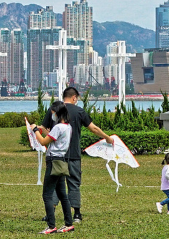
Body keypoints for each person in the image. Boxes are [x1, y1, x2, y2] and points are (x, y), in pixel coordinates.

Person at [36, 86, 113, 224]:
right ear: (74, 97)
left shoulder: (53, 110)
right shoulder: (79, 111)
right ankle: (76, 213)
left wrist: (38, 133)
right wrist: (107, 137)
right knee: (74, 183)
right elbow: (93, 128)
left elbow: (44, 129)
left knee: (54, 183)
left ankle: (51, 212)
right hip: (73, 154)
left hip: (56, 155)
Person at [33, 101, 74, 235]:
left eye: (53, 113)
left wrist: (34, 131)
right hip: (61, 161)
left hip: (53, 162)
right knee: (62, 194)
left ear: (58, 113)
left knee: (47, 195)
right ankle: (69, 224)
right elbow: (52, 137)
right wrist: (43, 131)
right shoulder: (67, 127)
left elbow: (44, 142)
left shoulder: (58, 127)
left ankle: (51, 226)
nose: (52, 116)